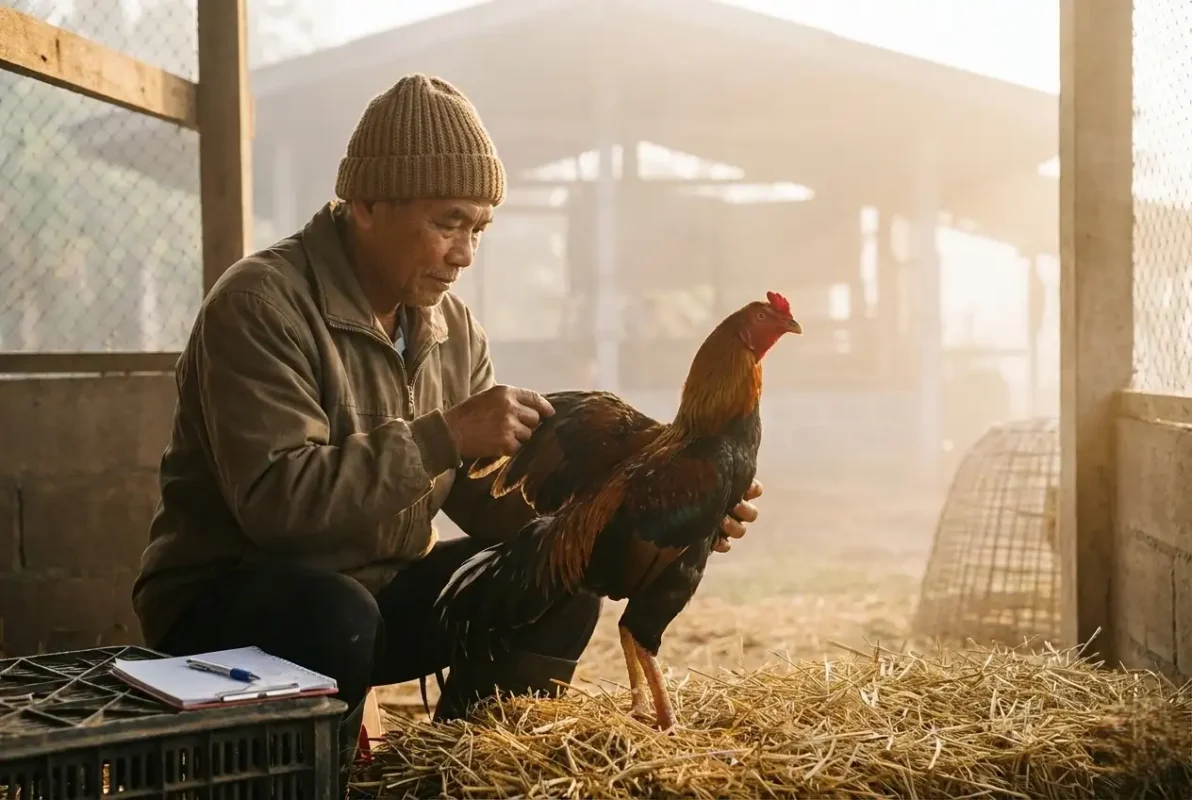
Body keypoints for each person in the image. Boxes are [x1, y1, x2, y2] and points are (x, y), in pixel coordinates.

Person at [130, 73, 762, 791]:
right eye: (448, 222)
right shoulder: (261, 304)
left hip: (376, 593)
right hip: (229, 604)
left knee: (554, 577)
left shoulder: (453, 330)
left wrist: (665, 515)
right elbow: (277, 508)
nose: (465, 252)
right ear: (366, 204)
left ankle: (464, 778)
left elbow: (494, 508)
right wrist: (443, 436)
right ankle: (318, 782)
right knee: (336, 615)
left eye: (479, 229)